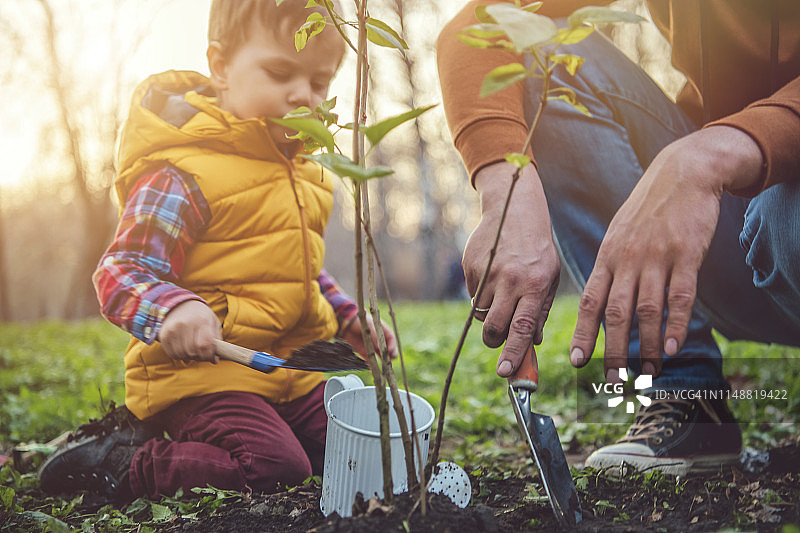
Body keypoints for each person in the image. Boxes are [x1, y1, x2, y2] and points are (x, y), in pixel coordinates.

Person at [39, 0, 396, 505]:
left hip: (287, 373)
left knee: (359, 447)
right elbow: (122, 270)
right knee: (275, 467)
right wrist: (172, 307)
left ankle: (284, 437)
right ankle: (126, 462)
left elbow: (301, 269)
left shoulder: (309, 175)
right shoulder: (185, 172)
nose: (303, 95)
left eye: (320, 83)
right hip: (205, 377)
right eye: (279, 72)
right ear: (222, 66)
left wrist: (346, 316)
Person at [438, 0, 800, 475]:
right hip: (735, 229)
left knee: (781, 214)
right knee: (547, 59)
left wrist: (721, 151)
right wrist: (507, 183)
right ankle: (684, 390)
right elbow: (485, 22)